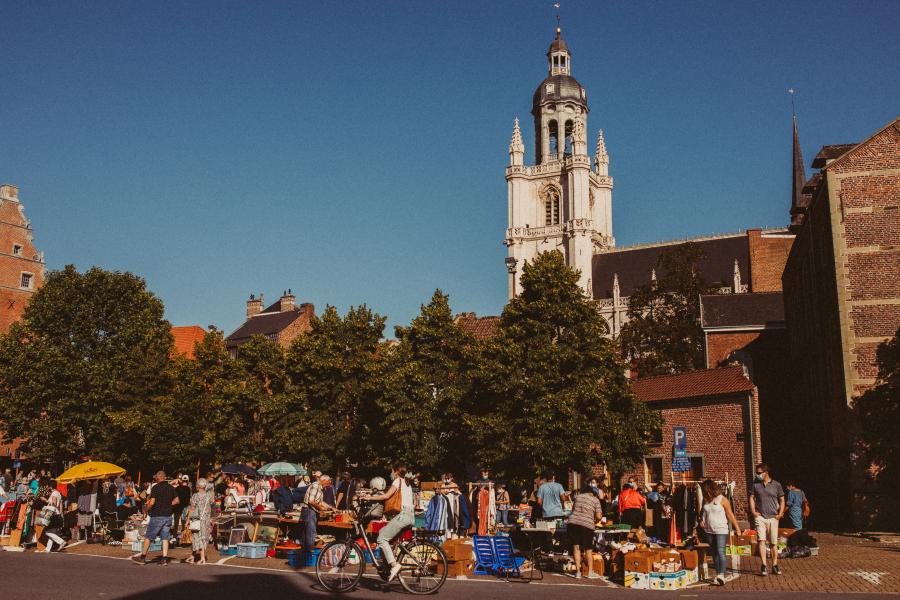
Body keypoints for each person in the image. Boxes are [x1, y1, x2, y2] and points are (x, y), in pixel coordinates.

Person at [366, 462, 415, 582]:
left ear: (396, 471)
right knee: (384, 532)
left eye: (392, 471)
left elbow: (386, 496)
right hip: (409, 516)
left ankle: (394, 565)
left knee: (381, 538)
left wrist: (369, 497)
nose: (391, 474)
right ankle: (387, 565)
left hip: (403, 515)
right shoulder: (407, 483)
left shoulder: (397, 481)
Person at [132, 471, 179, 565]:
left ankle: (143, 557)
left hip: (157, 515)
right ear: (165, 477)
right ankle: (164, 558)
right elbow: (177, 501)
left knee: (149, 536)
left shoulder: (156, 487)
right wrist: (169, 505)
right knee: (165, 537)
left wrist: (145, 509)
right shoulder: (171, 487)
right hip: (168, 515)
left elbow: (152, 502)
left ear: (158, 478)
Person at [700, 479, 742, 586]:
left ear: (709, 489)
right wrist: (702, 520)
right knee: (714, 553)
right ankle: (718, 573)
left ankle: (721, 575)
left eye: (704, 490)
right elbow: (704, 513)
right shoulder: (706, 500)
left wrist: (737, 528)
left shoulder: (722, 499)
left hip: (721, 529)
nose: (703, 493)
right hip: (709, 530)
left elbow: (730, 514)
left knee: (721, 551)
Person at [749, 463, 785, 577]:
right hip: (760, 517)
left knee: (773, 542)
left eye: (759, 473)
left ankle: (775, 565)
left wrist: (780, 513)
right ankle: (764, 564)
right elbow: (751, 498)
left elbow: (782, 499)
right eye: (757, 473)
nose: (757, 475)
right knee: (761, 540)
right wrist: (753, 511)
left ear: (766, 473)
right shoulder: (755, 485)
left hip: (773, 517)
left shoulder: (777, 485)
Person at [567, 482, 603, 579]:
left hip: (573, 523)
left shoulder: (578, 497)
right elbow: (599, 516)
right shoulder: (595, 500)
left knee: (576, 547)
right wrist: (596, 521)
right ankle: (590, 572)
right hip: (586, 525)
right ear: (594, 493)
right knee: (588, 548)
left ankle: (578, 572)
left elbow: (573, 510)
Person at [301, 473, 335, 559]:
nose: (327, 486)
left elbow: (320, 501)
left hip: (311, 511)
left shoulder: (320, 488)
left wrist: (332, 508)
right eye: (327, 483)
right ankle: (308, 554)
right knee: (311, 533)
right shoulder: (316, 486)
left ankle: (305, 553)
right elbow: (311, 501)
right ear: (323, 480)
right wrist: (321, 508)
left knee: (308, 533)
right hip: (309, 511)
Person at [185, 478, 213, 565]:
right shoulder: (209, 496)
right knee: (202, 537)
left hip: (196, 519)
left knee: (197, 537)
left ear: (198, 486)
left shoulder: (195, 496)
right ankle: (193, 556)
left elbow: (192, 509)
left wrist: (187, 520)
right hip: (206, 520)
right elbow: (211, 507)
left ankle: (202, 558)